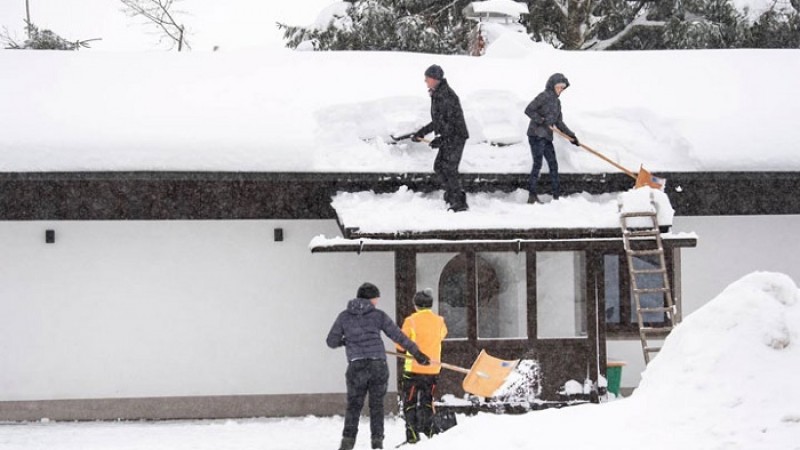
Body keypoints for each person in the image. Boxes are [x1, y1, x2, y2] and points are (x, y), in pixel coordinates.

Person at [327, 282, 431, 450]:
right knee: (377, 406)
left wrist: (345, 341)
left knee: (353, 406)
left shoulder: (344, 316)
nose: (377, 302)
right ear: (371, 299)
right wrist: (418, 354)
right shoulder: (378, 316)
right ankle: (377, 443)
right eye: (376, 298)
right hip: (377, 365)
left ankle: (347, 443)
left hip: (356, 365)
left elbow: (331, 342)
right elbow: (399, 337)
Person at [413, 64, 470, 212]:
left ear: (435, 79)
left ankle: (459, 202)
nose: (425, 81)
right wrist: (422, 132)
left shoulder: (446, 96)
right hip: (449, 136)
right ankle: (453, 194)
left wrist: (441, 139)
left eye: (427, 78)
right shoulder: (437, 93)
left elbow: (451, 122)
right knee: (439, 167)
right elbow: (439, 121)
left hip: (456, 136)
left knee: (449, 169)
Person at [396, 288, 448, 444]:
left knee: (410, 403)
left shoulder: (411, 321)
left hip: (413, 370)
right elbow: (442, 335)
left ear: (415, 305)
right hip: (432, 370)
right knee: (427, 401)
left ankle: (412, 436)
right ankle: (429, 433)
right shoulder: (439, 321)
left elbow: (399, 345)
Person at [524, 73, 580, 204]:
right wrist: (541, 120)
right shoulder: (543, 96)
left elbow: (559, 123)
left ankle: (556, 196)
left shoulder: (557, 102)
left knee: (553, 165)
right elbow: (528, 110)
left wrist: (572, 136)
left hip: (547, 137)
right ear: (552, 85)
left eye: (562, 88)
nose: (560, 90)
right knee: (537, 164)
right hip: (536, 135)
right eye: (559, 87)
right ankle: (532, 196)